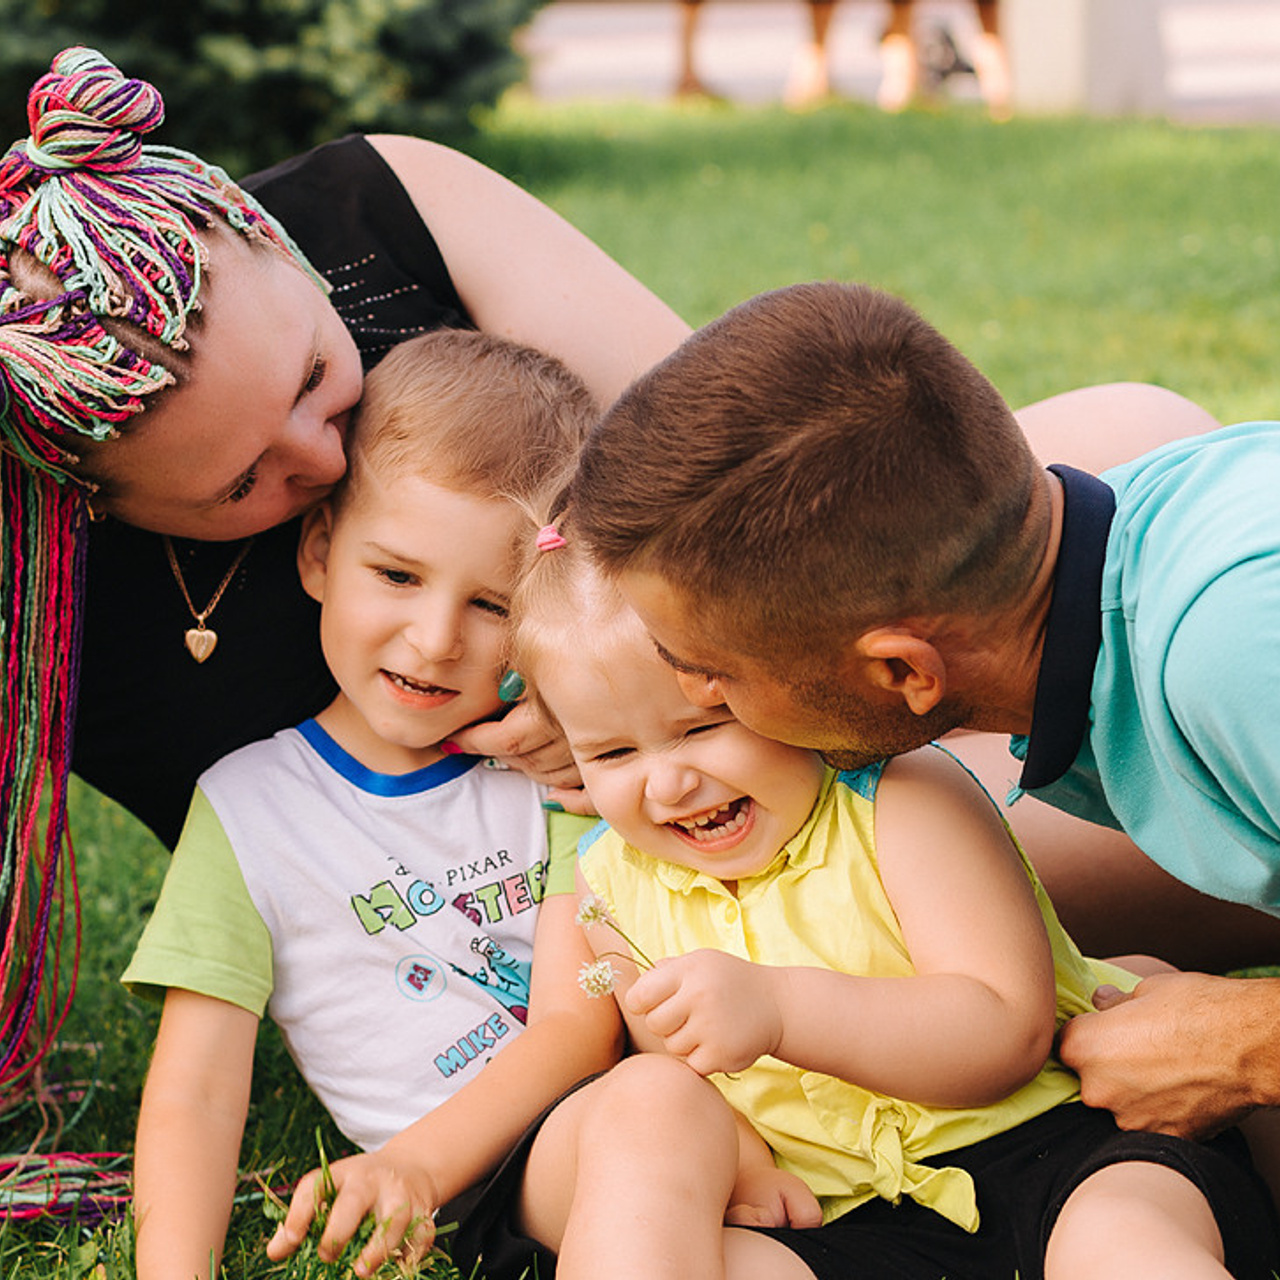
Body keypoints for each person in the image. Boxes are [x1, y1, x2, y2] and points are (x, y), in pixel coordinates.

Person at [0, 44, 1234, 1092]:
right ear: (88, 503)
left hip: (708, 694)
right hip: (563, 870)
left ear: (271, 240)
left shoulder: (390, 207)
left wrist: (583, 683)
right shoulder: (37, 577)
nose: (323, 460)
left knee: (1136, 431)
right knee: (1110, 839)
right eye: (238, 488)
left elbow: (742, 506)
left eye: (320, 377)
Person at [570, 280, 1280, 1144]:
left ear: (904, 670)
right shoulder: (1121, 547)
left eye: (712, 673)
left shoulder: (1234, 652)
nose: (698, 697)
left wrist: (1239, 1042)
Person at [499, 536, 1278, 1280]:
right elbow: (685, 1070)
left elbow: (1004, 1031)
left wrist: (777, 1007)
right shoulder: (611, 881)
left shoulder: (901, 799)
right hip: (847, 1217)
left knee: (1123, 1244)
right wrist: (740, 1154)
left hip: (1063, 1150)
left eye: (704, 727)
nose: (667, 784)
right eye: (611, 753)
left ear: (783, 684)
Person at [124, 330, 623, 1280]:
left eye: (493, 605)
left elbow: (580, 1022)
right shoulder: (247, 814)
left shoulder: (559, 777)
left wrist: (407, 1168)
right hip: (504, 1179)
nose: (435, 640)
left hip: (605, 1109)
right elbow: (194, 1089)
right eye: (396, 576)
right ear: (319, 554)